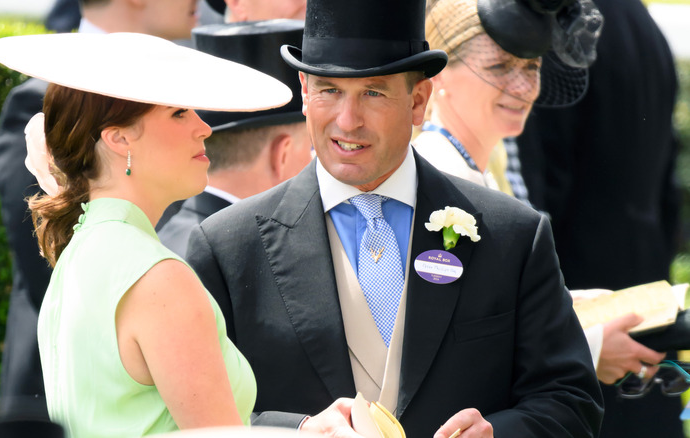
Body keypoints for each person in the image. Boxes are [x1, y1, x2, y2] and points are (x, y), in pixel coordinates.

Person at [185, 0, 604, 436]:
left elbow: (570, 399)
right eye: (329, 90)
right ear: (305, 93)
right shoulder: (228, 247)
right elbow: (195, 417)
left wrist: (498, 433)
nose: (348, 122)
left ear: (418, 100)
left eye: (374, 92)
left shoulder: (513, 235)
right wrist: (298, 431)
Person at [0, 31, 358, 438]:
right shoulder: (156, 275)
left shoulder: (82, 249)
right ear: (119, 137)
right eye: (179, 112)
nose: (204, 128)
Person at [415, 0, 670, 387]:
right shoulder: (439, 176)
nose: (522, 87)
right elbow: (448, 338)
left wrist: (565, 303)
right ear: (439, 75)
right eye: (499, 67)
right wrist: (591, 345)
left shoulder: (474, 170)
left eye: (532, 67)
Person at [0, 0, 200, 417]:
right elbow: (46, 253)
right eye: (179, 113)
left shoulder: (179, 87)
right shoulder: (37, 100)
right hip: (65, 390)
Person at [516, 0, 684, 436]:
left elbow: (538, 194)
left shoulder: (563, 27)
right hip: (646, 294)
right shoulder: (646, 26)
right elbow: (667, 185)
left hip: (586, 317)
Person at [156, 19, 311, 257]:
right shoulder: (245, 254)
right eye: (310, 149)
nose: (313, 162)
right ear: (283, 153)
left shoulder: (166, 235)